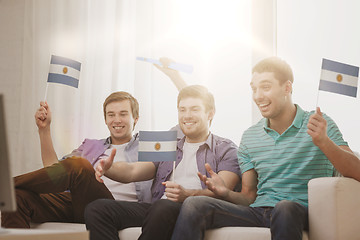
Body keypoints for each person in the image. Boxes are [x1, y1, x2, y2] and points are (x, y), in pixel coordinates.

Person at [170, 56, 360, 240]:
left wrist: (324, 142)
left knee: (284, 208)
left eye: (266, 87)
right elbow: (248, 196)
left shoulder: (320, 123)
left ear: (287, 87)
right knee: (194, 204)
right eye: (254, 89)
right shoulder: (250, 136)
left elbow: (357, 172)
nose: (258, 96)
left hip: (299, 211)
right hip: (259, 212)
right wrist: (225, 193)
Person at [84, 85, 241, 240]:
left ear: (210, 114)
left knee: (163, 207)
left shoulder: (226, 148)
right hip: (157, 209)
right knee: (96, 208)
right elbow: (132, 171)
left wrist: (187, 195)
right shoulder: (167, 143)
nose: (187, 116)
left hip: (193, 210)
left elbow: (223, 191)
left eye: (194, 109)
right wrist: (109, 168)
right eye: (182, 110)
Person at [1, 91, 154, 228]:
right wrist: (44, 130)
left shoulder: (149, 146)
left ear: (136, 118)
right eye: (111, 115)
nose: (117, 120)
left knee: (79, 165)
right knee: (16, 198)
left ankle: (5, 187)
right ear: (105, 119)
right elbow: (55, 172)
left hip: (119, 210)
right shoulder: (91, 146)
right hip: (79, 204)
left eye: (123, 114)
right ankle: (7, 190)